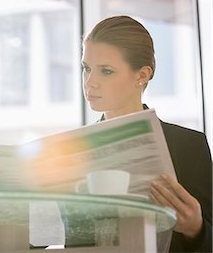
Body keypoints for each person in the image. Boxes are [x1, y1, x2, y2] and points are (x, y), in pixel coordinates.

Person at [82, 15, 212, 252]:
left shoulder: (188, 146)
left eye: (106, 71)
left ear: (142, 75)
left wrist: (196, 227)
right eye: (87, 68)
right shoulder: (73, 149)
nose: (90, 82)